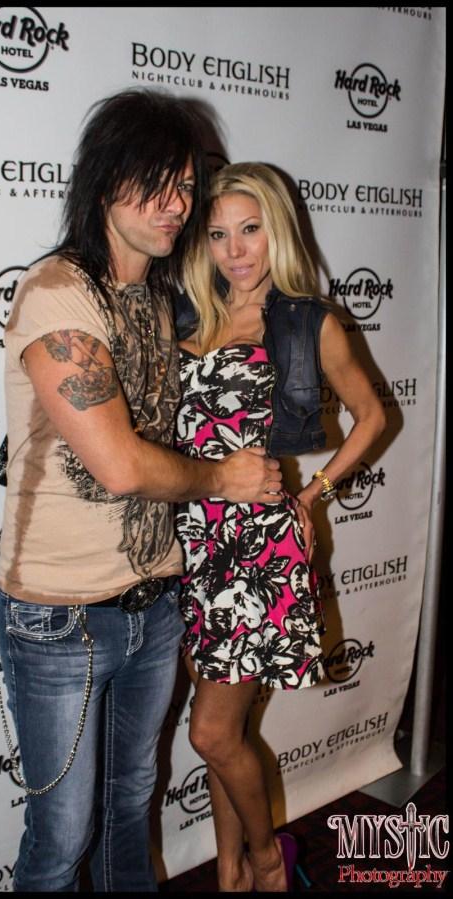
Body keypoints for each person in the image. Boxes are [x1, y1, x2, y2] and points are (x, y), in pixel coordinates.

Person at [0, 91, 284, 893]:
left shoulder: (160, 299)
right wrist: (223, 477)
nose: (175, 205)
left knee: (130, 808)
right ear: (103, 181)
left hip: (154, 604)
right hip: (62, 616)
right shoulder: (59, 291)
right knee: (60, 841)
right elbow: (119, 464)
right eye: (155, 183)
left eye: (184, 186)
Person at [174, 161, 386, 892]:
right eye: (218, 235)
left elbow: (373, 415)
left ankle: (268, 860)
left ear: (277, 231)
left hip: (257, 549)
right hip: (192, 540)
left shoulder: (305, 320)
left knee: (210, 731)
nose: (235, 250)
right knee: (225, 734)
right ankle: (230, 872)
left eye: (251, 230)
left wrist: (316, 494)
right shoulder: (187, 315)